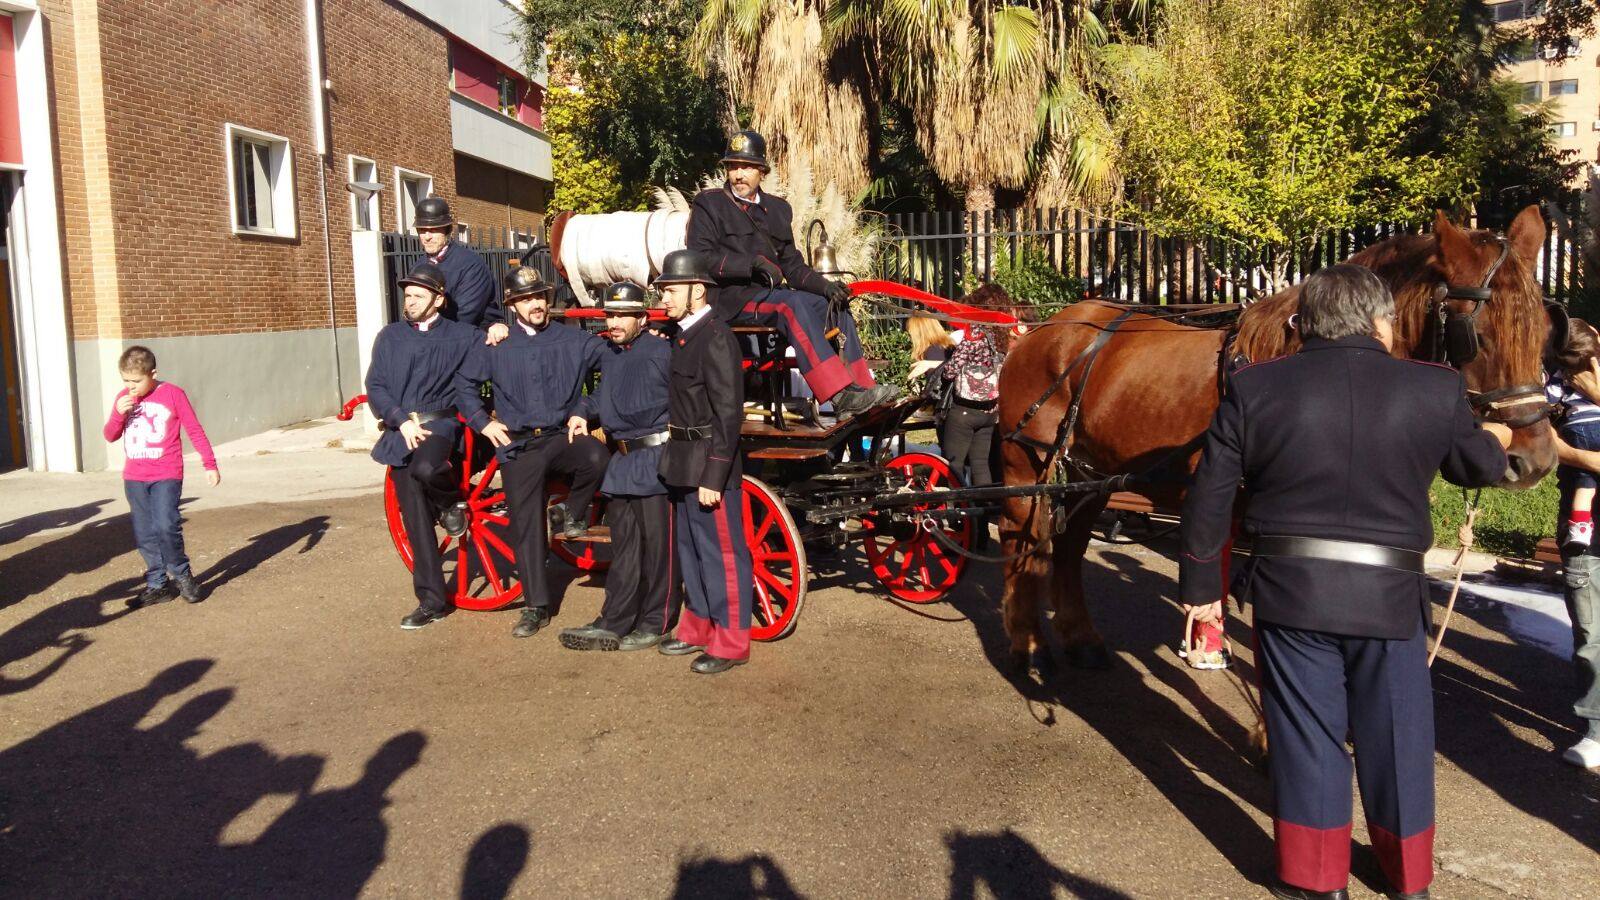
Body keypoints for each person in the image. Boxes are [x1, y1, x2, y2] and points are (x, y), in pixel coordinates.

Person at [1179, 265, 1513, 900]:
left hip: (1291, 592)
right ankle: (1407, 876)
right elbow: (1481, 466)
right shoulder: (1435, 389)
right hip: (1390, 599)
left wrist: (1201, 588)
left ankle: (1317, 878)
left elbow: (1209, 495)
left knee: (1307, 734)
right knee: (1398, 739)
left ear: (1306, 323)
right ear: (1381, 321)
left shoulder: (1255, 388)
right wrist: (1494, 440)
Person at [686, 130, 899, 420]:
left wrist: (826, 287)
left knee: (833, 306)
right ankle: (838, 395)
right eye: (733, 166)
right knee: (791, 304)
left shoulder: (777, 209)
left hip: (771, 296)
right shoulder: (708, 204)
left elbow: (793, 266)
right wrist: (750, 265)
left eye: (746, 167)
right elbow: (700, 258)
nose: (739, 174)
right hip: (732, 300)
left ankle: (861, 389)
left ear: (762, 171)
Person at [458, 266, 611, 640]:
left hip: (562, 436)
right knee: (525, 523)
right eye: (526, 299)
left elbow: (615, 361)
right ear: (512, 306)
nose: (536, 304)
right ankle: (535, 605)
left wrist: (586, 409)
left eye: (540, 296)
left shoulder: (572, 339)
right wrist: (483, 422)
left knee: (597, 457)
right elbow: (464, 385)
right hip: (519, 444)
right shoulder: (497, 344)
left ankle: (568, 513)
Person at [558, 282, 680, 652]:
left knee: (660, 551)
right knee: (624, 550)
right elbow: (604, 395)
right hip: (623, 462)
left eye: (623, 315)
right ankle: (615, 619)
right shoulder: (610, 354)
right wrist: (581, 411)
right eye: (610, 314)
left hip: (657, 460)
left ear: (642, 318)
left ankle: (656, 622)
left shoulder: (663, 351)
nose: (614, 321)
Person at [364, 261, 481, 630]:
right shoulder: (390, 336)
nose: (410, 301)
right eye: (408, 295)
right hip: (401, 430)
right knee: (414, 521)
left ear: (439, 299)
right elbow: (376, 386)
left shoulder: (463, 335)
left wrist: (498, 330)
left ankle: (450, 503)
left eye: (418, 295)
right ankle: (431, 600)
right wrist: (400, 419)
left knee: (427, 469)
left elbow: (497, 351)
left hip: (441, 426)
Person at [655, 249, 754, 674]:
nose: (663, 298)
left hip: (709, 467)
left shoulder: (715, 336)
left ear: (698, 290)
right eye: (663, 290)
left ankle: (731, 641)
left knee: (722, 556)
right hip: (681, 459)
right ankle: (696, 626)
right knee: (691, 550)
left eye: (670, 290)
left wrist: (715, 473)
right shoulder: (684, 334)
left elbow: (728, 413)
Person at [103, 345, 220, 607]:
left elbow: (195, 430)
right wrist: (117, 414)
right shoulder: (124, 398)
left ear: (153, 374)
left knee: (166, 526)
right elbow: (110, 435)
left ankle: (182, 574)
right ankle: (158, 585)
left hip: (166, 473)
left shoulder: (173, 394)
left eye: (136, 381)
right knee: (145, 532)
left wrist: (209, 463)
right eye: (125, 380)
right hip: (134, 476)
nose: (130, 386)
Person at [1547, 317, 1600, 768]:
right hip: (1586, 540)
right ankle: (1597, 729)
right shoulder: (1557, 386)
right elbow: (1539, 440)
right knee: (1591, 636)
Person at [412, 196, 509, 342]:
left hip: (468, 342)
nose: (427, 237)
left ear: (447, 230)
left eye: (433, 230)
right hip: (428, 341)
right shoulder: (418, 267)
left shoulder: (471, 264)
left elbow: (465, 316)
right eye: (422, 230)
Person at [938, 326, 1003, 489]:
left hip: (965, 410)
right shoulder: (999, 337)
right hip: (989, 410)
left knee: (953, 464)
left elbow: (950, 371)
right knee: (980, 464)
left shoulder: (973, 336)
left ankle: (957, 508)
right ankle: (984, 508)